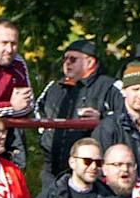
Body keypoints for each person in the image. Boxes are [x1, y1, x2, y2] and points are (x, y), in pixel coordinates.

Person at [33, 38, 119, 177]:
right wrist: (45, 132)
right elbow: (38, 108)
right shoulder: (54, 86)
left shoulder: (109, 86)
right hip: (53, 164)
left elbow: (125, 115)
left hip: (92, 165)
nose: (67, 63)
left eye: (73, 59)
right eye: (65, 58)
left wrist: (101, 119)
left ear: (90, 62)